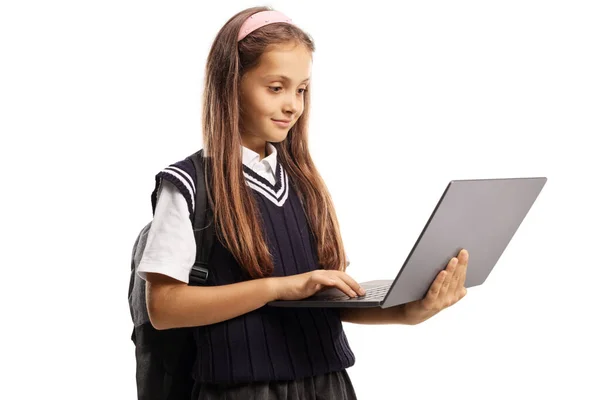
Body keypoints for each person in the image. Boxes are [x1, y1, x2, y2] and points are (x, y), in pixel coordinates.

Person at [136, 6, 469, 399]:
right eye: (276, 87)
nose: (293, 104)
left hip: (328, 385)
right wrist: (278, 288)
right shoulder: (189, 185)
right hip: (240, 390)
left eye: (302, 89)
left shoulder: (303, 182)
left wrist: (408, 312)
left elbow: (316, 304)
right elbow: (164, 308)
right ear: (230, 84)